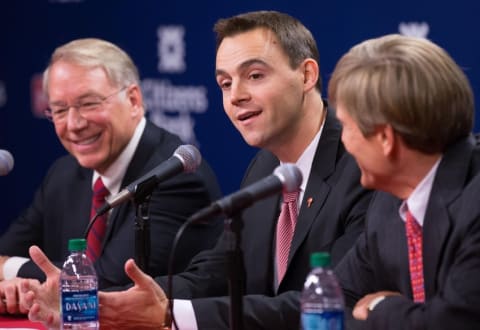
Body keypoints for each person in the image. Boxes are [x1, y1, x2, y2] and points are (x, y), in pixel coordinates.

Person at [22, 11, 372, 329]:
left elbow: (336, 301)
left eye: (254, 75)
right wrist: (127, 300)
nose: (236, 96)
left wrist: (171, 313)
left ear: (307, 74)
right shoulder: (265, 168)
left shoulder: (362, 166)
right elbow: (218, 271)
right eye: (225, 83)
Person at [0, 38, 223, 314]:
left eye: (89, 104)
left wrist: (11, 269)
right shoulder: (63, 174)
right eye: (59, 110)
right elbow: (7, 248)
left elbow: (106, 285)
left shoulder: (175, 175)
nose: (74, 124)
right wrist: (11, 281)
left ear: (133, 100)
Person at [327, 34, 480, 329]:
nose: (343, 141)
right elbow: (332, 302)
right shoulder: (388, 205)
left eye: (346, 126)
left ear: (385, 138)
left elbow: (453, 322)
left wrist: (380, 306)